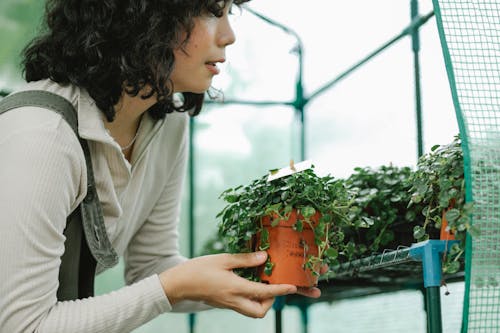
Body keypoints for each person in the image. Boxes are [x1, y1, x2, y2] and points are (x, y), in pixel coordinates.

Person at [0, 0, 322, 332]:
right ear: (143, 16)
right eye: (211, 12)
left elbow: (153, 265)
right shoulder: (42, 134)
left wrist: (271, 270)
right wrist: (171, 288)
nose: (229, 36)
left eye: (230, 14)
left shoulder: (168, 126)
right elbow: (24, 326)